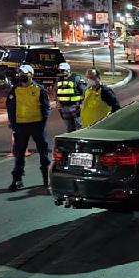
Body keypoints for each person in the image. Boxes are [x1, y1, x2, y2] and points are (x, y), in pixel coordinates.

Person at [6, 64, 51, 192]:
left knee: (43, 153)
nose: (22, 76)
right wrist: (13, 124)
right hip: (21, 127)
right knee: (19, 154)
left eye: (25, 74)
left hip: (37, 126)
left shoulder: (39, 89)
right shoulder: (14, 90)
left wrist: (42, 124)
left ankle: (46, 179)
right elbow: (10, 109)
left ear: (31, 74)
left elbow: (46, 108)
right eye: (20, 74)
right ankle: (17, 180)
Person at [54, 61, 87, 132]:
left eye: (63, 70)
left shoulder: (76, 78)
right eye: (60, 70)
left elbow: (84, 92)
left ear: (68, 70)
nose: (61, 72)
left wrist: (82, 103)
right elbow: (56, 91)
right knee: (69, 128)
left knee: (79, 127)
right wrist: (57, 102)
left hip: (76, 107)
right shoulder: (59, 80)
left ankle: (80, 141)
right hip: (64, 108)